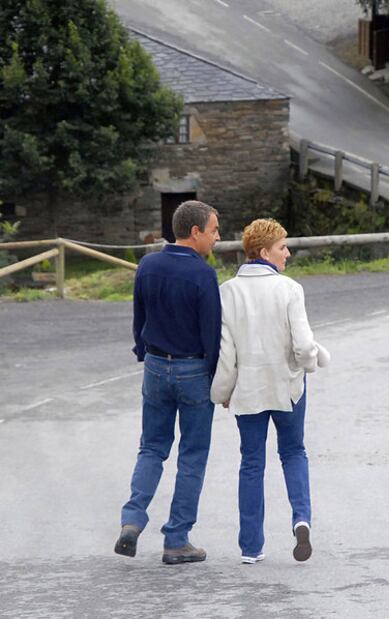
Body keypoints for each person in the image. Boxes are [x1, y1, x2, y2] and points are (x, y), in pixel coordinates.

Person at [210, 218, 330, 564]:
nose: (287, 253)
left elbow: (226, 352)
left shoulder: (227, 292)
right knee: (293, 452)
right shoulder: (289, 289)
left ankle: (251, 547)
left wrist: (223, 392)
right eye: (282, 247)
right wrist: (306, 366)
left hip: (248, 388)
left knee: (251, 462)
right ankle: (301, 520)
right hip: (287, 386)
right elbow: (305, 346)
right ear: (264, 252)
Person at [115, 200, 221, 565]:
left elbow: (138, 317)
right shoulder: (204, 275)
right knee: (192, 456)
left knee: (152, 448)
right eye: (214, 230)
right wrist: (219, 380)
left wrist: (144, 352)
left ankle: (132, 520)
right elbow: (212, 335)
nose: (217, 237)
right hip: (193, 371)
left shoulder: (148, 265)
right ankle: (176, 540)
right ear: (195, 232)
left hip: (156, 366)